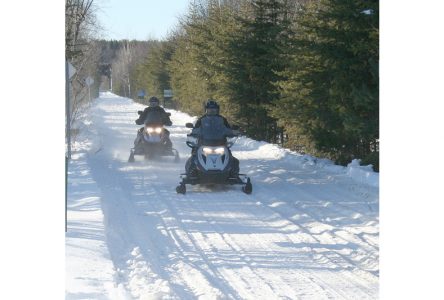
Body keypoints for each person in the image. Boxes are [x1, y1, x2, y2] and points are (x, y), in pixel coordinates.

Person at [186, 99, 240, 177]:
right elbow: (196, 129)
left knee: (231, 158)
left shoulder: (222, 119)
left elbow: (227, 129)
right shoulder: (201, 120)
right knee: (194, 157)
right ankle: (192, 172)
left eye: (214, 110)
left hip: (220, 142)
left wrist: (232, 132)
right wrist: (193, 133)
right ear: (206, 110)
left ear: (217, 110)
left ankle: (233, 173)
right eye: (209, 110)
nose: (212, 112)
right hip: (204, 142)